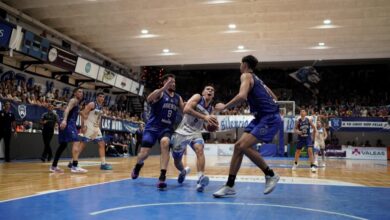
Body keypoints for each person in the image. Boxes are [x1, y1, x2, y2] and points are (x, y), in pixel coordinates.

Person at [213, 55, 281, 198]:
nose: (240, 66)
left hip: (269, 118)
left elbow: (242, 96)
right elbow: (275, 98)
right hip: (260, 117)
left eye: (240, 64)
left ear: (244, 64)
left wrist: (224, 107)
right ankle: (230, 186)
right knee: (238, 146)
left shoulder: (245, 75)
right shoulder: (259, 80)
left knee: (243, 146)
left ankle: (271, 175)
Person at [131, 74, 185, 191]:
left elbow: (184, 110)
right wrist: (163, 88)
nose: (174, 84)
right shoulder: (160, 93)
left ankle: (162, 176)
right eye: (171, 81)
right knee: (144, 154)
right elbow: (149, 99)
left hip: (166, 129)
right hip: (152, 128)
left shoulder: (178, 98)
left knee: (165, 143)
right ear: (165, 82)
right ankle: (138, 165)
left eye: (174, 82)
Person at [170, 85, 218, 192]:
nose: (210, 90)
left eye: (212, 90)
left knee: (200, 150)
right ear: (203, 92)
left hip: (196, 133)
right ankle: (183, 171)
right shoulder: (198, 97)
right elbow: (186, 109)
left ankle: (200, 178)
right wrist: (204, 117)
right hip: (182, 131)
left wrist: (210, 127)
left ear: (213, 95)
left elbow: (205, 124)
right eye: (208, 89)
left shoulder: (211, 109)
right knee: (177, 160)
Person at [73, 92, 112, 170]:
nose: (102, 98)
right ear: (97, 97)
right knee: (83, 145)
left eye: (103, 97)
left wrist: (99, 128)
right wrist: (82, 126)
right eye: (100, 96)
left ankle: (103, 163)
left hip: (96, 128)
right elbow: (82, 113)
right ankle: (73, 161)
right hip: (88, 126)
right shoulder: (92, 104)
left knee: (102, 143)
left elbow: (98, 118)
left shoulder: (101, 107)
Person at [50, 88, 85, 173]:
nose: (81, 94)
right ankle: (74, 166)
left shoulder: (76, 103)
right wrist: (65, 120)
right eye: (79, 92)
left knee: (63, 145)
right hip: (68, 123)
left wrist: (80, 113)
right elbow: (67, 109)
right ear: (74, 93)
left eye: (82, 92)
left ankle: (53, 166)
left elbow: (72, 111)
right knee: (76, 140)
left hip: (66, 123)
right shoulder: (74, 100)